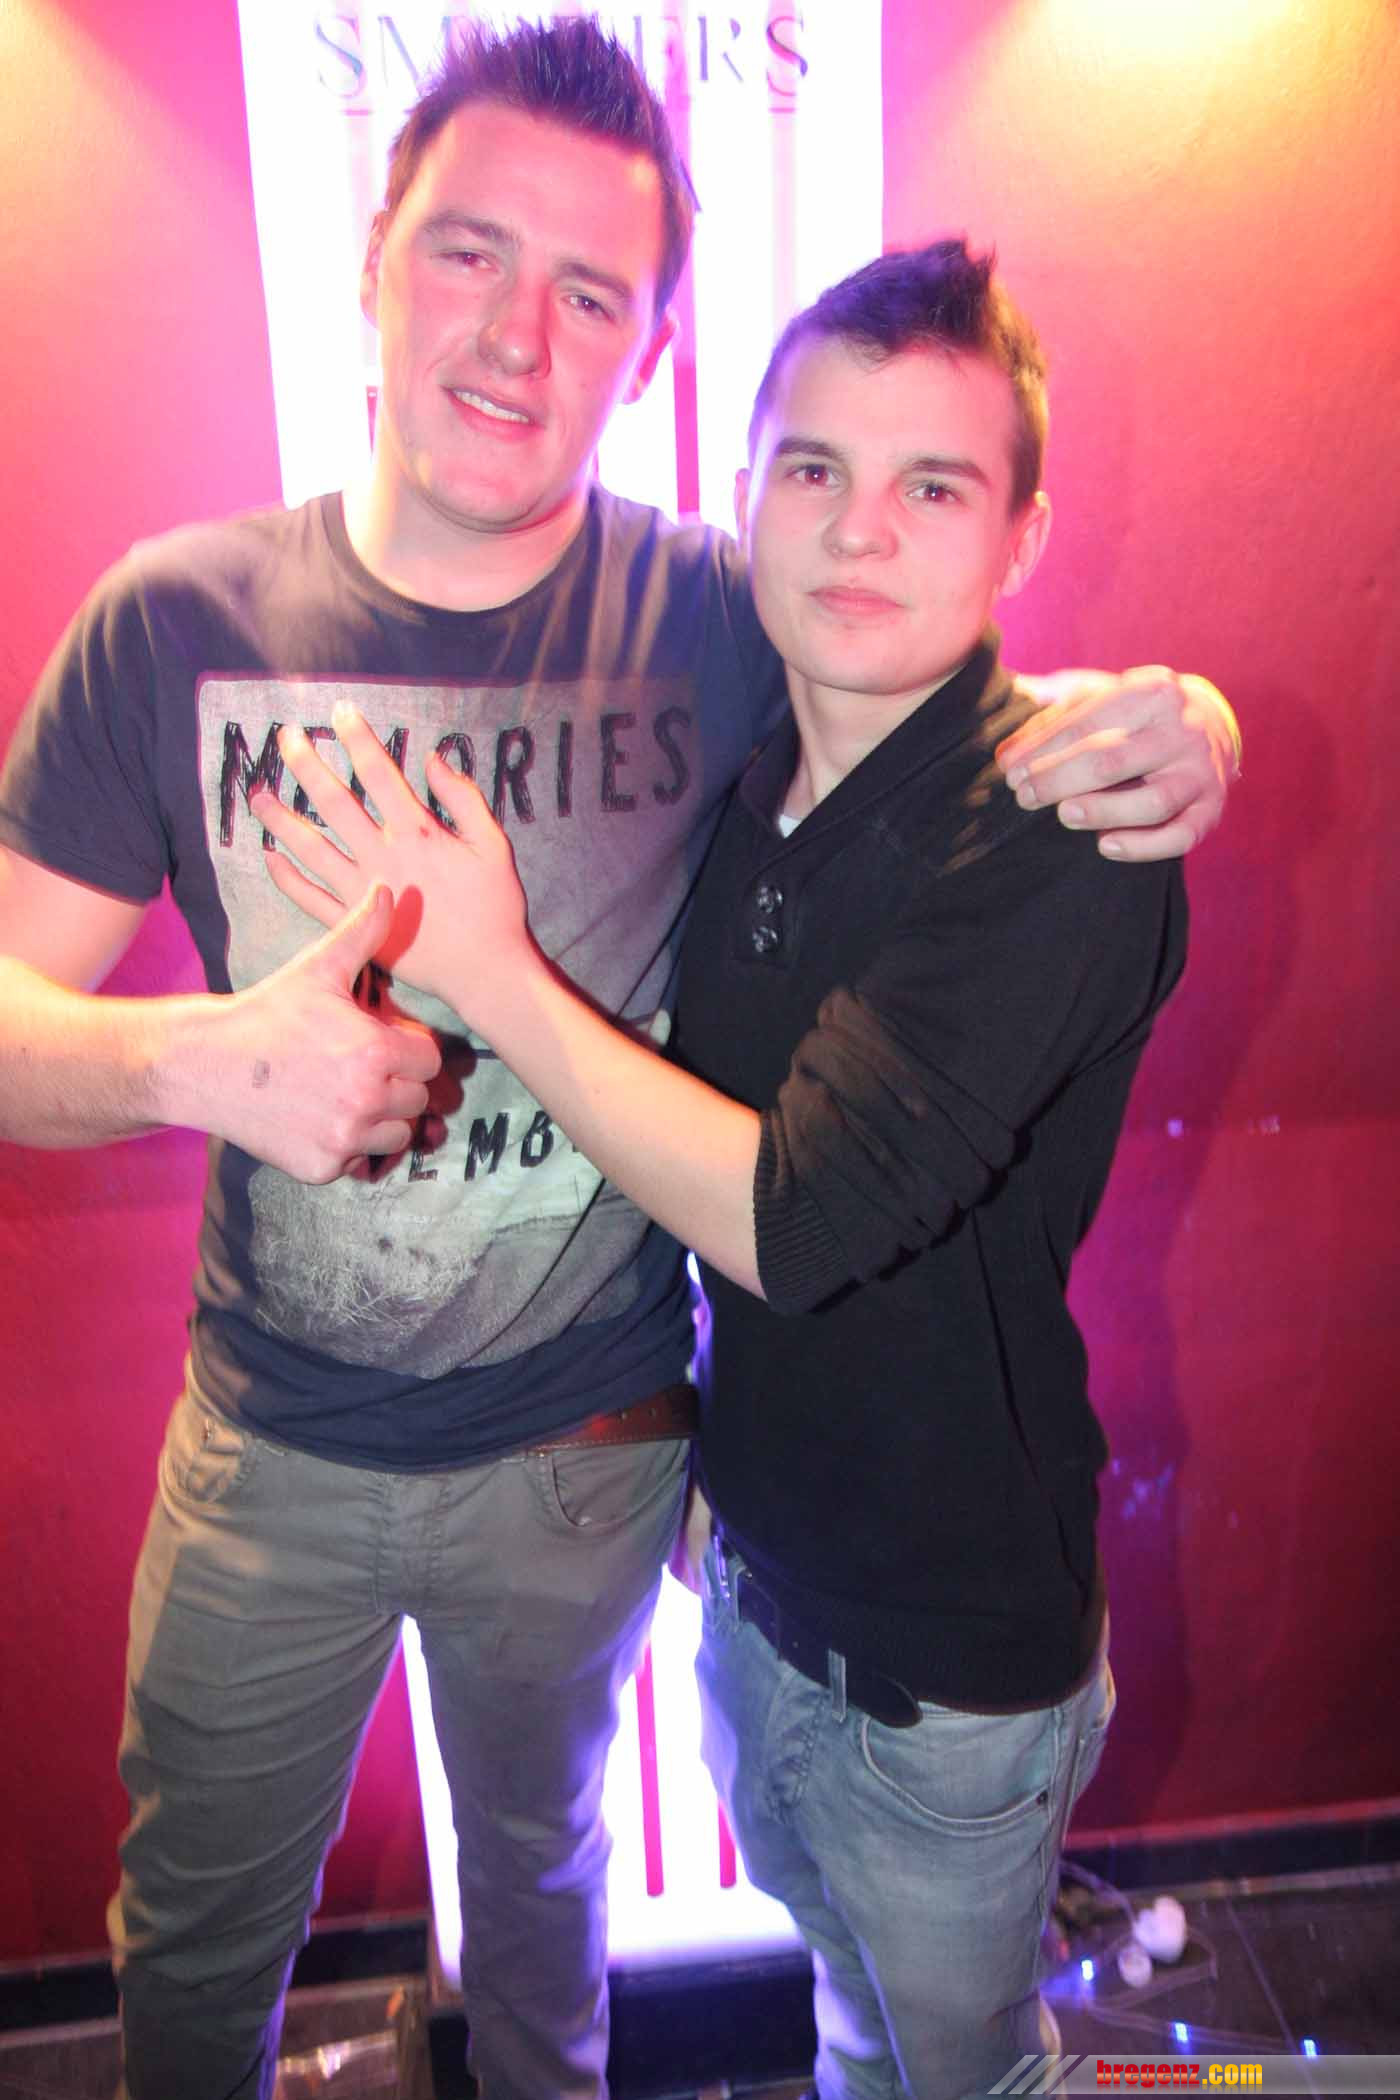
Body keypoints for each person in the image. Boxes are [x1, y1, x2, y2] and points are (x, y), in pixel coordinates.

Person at [0, 17, 1232, 2100]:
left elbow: (937, 662)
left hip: (593, 1457)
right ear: (372, 263)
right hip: (272, 1454)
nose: (518, 334)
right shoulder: (172, 620)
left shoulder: (719, 610)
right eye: (470, 252)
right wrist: (199, 1063)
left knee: (548, 1920)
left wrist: (1173, 716)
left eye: (592, 292)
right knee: (190, 1957)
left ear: (653, 351)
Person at [259, 237, 1188, 2099]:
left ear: (1021, 539)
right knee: (849, 2027)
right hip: (757, 1603)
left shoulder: (1056, 830)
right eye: (815, 469)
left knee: (966, 2073)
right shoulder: (748, 777)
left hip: (944, 1673)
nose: (860, 530)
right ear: (744, 493)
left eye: (935, 487)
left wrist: (493, 977)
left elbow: (797, 1218)